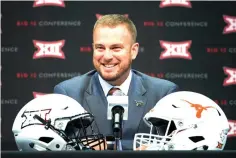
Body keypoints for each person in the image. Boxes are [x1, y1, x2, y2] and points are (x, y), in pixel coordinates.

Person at [53, 14, 179, 150]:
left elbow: (175, 147)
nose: (107, 56)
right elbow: (59, 148)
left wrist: (105, 146)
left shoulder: (163, 94)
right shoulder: (68, 94)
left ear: (134, 51)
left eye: (115, 48)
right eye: (100, 48)